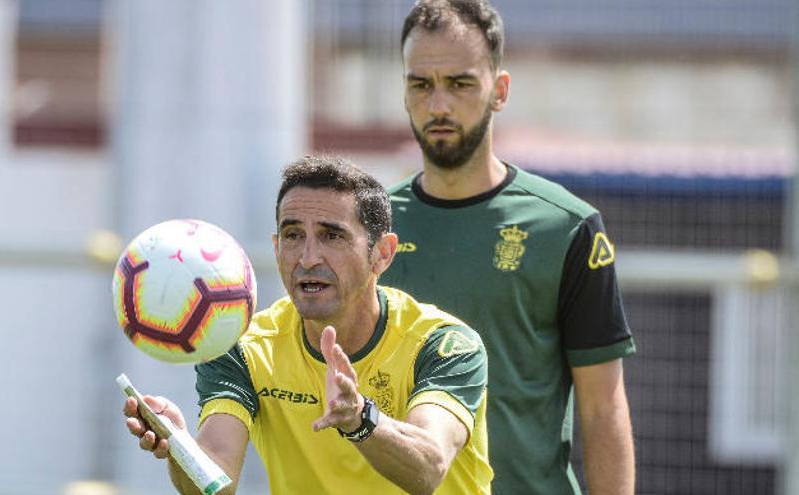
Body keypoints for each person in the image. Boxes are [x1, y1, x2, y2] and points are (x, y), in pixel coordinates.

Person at [379, 1, 637, 494]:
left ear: (499, 91)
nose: (438, 105)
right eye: (421, 85)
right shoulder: (367, 226)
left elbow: (604, 409)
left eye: (460, 84)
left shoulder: (565, 227)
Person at [123, 155, 492, 495]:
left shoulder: (445, 344)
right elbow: (218, 482)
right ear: (276, 246)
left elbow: (428, 468)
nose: (308, 257)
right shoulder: (242, 346)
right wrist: (179, 446)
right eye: (293, 235)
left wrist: (359, 418)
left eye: (332, 235)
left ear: (382, 253)